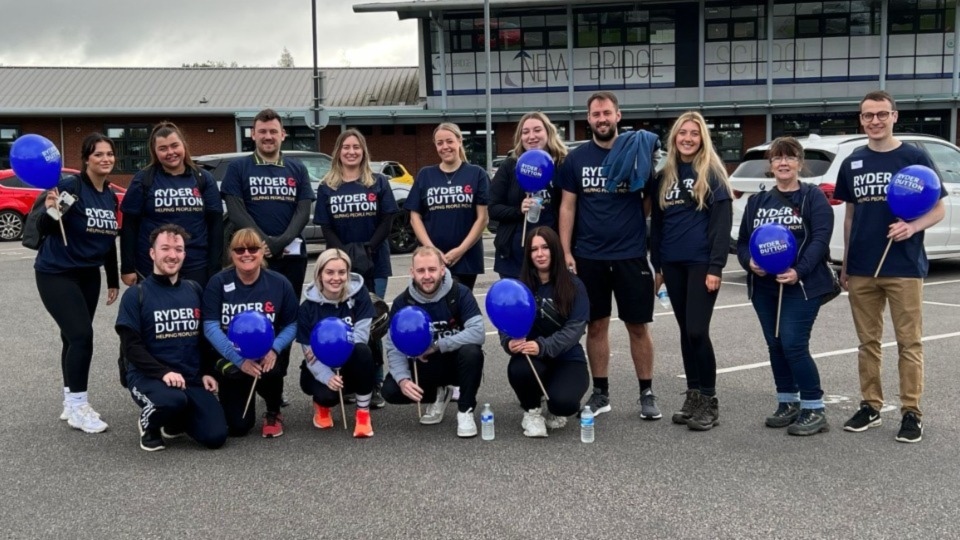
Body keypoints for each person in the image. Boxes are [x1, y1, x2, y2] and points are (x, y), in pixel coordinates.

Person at [835, 91, 946, 443]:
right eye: (868, 115)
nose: (875, 121)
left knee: (908, 342)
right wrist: (846, 263)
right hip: (864, 266)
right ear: (861, 119)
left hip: (904, 266)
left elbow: (939, 207)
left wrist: (912, 227)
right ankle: (871, 405)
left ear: (894, 116)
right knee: (867, 342)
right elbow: (851, 215)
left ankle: (911, 412)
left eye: (882, 114)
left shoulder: (913, 156)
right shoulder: (853, 160)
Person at [558, 91, 661, 420]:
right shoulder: (576, 159)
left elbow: (646, 200)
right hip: (589, 256)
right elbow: (568, 205)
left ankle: (646, 391)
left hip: (630, 254)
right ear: (588, 120)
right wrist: (565, 251)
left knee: (638, 326)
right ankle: (601, 393)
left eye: (606, 113)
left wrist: (628, 226)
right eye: (595, 114)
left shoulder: (636, 151)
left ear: (618, 115)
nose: (601, 119)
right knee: (597, 326)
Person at [737, 137, 835, 436]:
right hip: (765, 286)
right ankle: (787, 401)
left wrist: (798, 271)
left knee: (793, 343)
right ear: (770, 164)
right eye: (777, 158)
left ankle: (814, 407)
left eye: (790, 158)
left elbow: (820, 239)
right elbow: (743, 243)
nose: (783, 163)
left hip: (801, 284)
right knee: (776, 343)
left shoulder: (812, 197)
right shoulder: (757, 201)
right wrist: (749, 262)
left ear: (799, 163)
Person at [649, 112, 732, 431]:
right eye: (682, 133)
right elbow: (657, 224)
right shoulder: (664, 175)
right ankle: (694, 395)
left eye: (694, 134)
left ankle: (710, 400)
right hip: (672, 264)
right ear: (674, 138)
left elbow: (721, 225)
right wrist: (657, 266)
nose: (687, 138)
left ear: (702, 139)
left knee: (697, 330)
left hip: (701, 265)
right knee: (685, 332)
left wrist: (716, 267)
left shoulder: (712, 172)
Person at [34, 133, 120, 434]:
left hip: (87, 274)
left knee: (71, 338)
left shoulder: (109, 195)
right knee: (82, 336)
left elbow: (108, 240)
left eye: (110, 153)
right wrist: (51, 208)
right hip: (57, 272)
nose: (106, 159)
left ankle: (70, 402)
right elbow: (45, 227)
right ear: (86, 159)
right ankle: (79, 405)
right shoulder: (73, 187)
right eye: (99, 154)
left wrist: (112, 279)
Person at [116, 223, 228, 451]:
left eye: (178, 249)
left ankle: (174, 420)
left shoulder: (194, 289)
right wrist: (163, 372)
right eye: (165, 248)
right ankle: (149, 425)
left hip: (189, 377)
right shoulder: (136, 295)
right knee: (171, 400)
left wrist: (207, 371)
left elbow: (202, 339)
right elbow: (131, 347)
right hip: (149, 377)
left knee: (216, 436)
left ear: (184, 254)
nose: (172, 255)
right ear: (152, 253)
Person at [314, 128, 398, 407]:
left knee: (372, 324)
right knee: (345, 323)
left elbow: (387, 219)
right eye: (346, 147)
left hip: (375, 262)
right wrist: (342, 256)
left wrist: (368, 248)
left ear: (363, 151)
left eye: (356, 147)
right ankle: (348, 382)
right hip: (340, 267)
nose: (351, 152)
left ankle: (373, 382)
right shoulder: (327, 186)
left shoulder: (378, 182)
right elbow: (325, 226)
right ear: (338, 151)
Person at [202, 228, 299, 438]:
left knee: (272, 370)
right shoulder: (218, 283)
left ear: (262, 252)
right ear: (231, 254)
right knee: (238, 428)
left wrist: (275, 348)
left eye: (253, 248)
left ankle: (273, 410)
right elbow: (210, 327)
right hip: (233, 358)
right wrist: (239, 360)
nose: (247, 254)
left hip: (266, 356)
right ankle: (230, 395)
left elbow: (292, 324)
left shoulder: (279, 283)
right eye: (239, 249)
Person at [380, 246, 485, 437]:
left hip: (455, 361)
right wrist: (403, 380)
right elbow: (393, 347)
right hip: (425, 364)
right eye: (420, 271)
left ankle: (465, 410)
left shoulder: (459, 293)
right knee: (391, 390)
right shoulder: (402, 303)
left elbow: (478, 332)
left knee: (472, 352)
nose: (427, 276)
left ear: (442, 270)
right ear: (412, 272)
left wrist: (437, 346)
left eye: (432, 269)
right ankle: (438, 394)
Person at [501, 227, 589, 437]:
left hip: (567, 358)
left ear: (555, 250)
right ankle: (531, 410)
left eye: (545, 247)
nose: (539, 254)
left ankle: (552, 399)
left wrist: (543, 346)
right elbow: (505, 322)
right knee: (519, 370)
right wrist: (508, 342)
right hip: (530, 357)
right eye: (533, 249)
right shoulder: (520, 286)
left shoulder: (574, 285)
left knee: (565, 404)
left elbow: (575, 329)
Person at [220, 108, 315, 296]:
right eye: (262, 131)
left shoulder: (297, 168)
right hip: (252, 254)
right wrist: (262, 243)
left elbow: (303, 212)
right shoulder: (237, 168)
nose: (268, 136)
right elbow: (236, 212)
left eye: (273, 131)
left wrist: (280, 242)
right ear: (253, 134)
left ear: (283, 134)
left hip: (292, 255)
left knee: (289, 310)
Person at [120, 121, 222, 287]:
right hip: (152, 266)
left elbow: (216, 226)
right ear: (155, 151)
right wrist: (127, 267)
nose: (170, 152)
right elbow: (129, 226)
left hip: (196, 265)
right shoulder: (143, 179)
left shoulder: (203, 178)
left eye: (175, 145)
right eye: (163, 148)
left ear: (184, 145)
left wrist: (215, 268)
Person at [297, 249, 376, 438]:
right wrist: (326, 376)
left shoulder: (360, 295)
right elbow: (309, 354)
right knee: (328, 395)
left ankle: (363, 413)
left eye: (342, 272)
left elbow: (361, 336)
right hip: (321, 366)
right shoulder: (307, 308)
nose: (336, 278)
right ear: (319, 275)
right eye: (330, 272)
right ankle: (321, 405)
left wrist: (333, 350)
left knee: (363, 351)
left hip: (350, 361)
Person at [405, 122, 489, 291]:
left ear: (459, 141)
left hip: (466, 259)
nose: (445, 147)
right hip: (431, 260)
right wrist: (433, 251)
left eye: (449, 141)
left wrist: (460, 250)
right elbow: (415, 217)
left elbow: (483, 218)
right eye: (440, 143)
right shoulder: (425, 175)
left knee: (460, 309)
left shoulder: (477, 173)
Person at [490, 112, 567, 279]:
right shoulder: (509, 166)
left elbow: (570, 208)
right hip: (514, 256)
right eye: (525, 132)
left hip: (551, 254)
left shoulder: (562, 165)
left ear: (548, 132)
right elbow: (493, 208)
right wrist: (519, 210)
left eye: (537, 130)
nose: (531, 136)